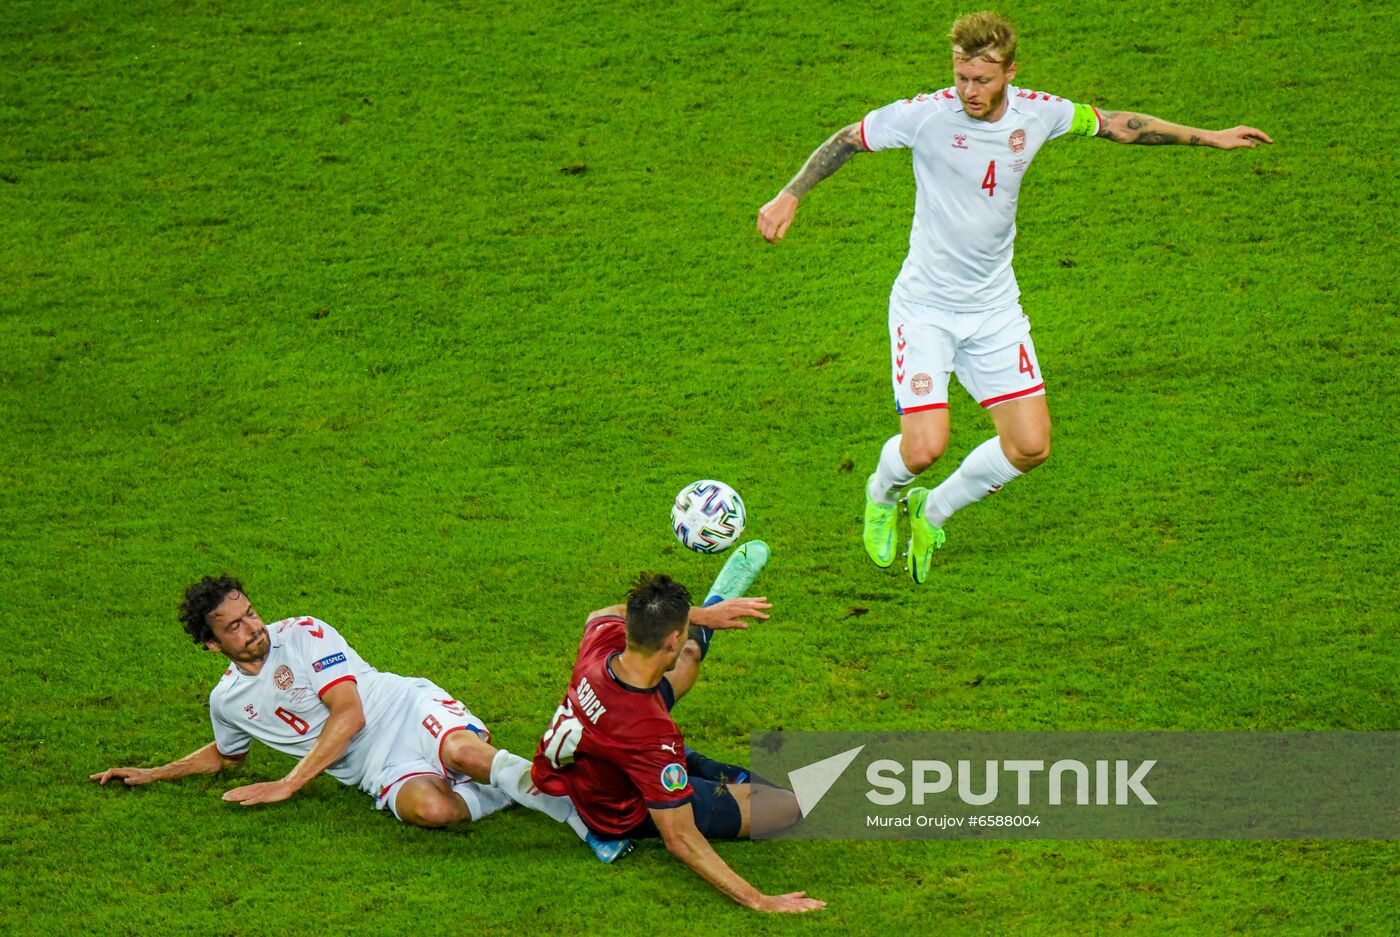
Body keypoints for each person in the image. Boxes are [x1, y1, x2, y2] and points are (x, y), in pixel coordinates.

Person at [756, 10, 1272, 583]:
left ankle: (935, 508)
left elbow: (1119, 124)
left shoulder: (1040, 112)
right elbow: (849, 138)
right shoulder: (924, 116)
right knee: (924, 447)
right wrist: (790, 194)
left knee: (1030, 446)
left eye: (983, 79)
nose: (970, 91)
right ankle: (882, 495)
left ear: (1009, 72)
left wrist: (1210, 137)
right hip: (926, 309)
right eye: (961, 77)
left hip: (995, 310)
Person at [91, 576, 627, 860]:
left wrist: (290, 783)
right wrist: (153, 773)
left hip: (404, 710)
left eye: (250, 612)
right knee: (432, 811)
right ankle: (507, 786)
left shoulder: (303, 633)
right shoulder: (227, 702)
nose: (252, 627)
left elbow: (347, 715)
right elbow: (226, 756)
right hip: (376, 770)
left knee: (464, 753)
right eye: (233, 626)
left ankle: (581, 821)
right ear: (212, 645)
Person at [531, 542, 825, 913]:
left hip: (597, 749)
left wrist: (703, 615)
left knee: (688, 660)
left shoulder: (602, 642)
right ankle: (701, 769)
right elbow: (680, 839)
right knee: (786, 807)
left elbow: (603, 611)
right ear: (670, 637)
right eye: (684, 630)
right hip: (619, 808)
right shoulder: (651, 734)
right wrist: (760, 900)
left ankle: (690, 760)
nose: (684, 634)